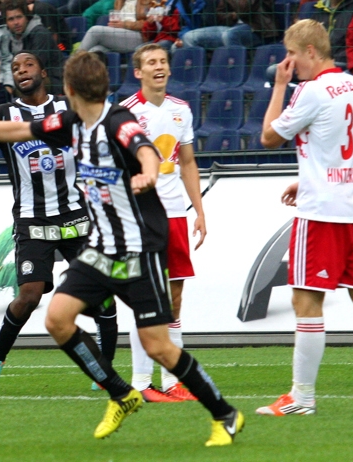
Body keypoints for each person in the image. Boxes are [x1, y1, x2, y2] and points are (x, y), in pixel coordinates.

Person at [0, 50, 244, 446]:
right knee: (58, 319)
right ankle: (121, 393)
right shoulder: (71, 122)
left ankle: (225, 414)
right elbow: (18, 132)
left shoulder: (118, 121)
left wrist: (147, 176)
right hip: (100, 248)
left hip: (137, 250)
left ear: (68, 88)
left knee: (159, 347)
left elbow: (146, 151)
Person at [0, 52, 118, 395]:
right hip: (32, 220)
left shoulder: (68, 108)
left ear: (43, 72)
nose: (22, 71)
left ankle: (103, 371)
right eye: (16, 68)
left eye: (28, 65)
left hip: (76, 217)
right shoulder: (5, 114)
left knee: (104, 298)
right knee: (30, 295)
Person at [257, 19, 353, 416]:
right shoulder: (350, 83)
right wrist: (307, 174)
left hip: (323, 214)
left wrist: (280, 87)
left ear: (310, 52)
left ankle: (302, 398)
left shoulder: (310, 91)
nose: (289, 62)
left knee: (305, 300)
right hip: (351, 202)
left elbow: (268, 137)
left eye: (293, 55)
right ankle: (301, 397)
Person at [120, 43, 205, 402]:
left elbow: (187, 163)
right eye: (150, 62)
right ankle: (141, 382)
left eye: (163, 62)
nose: (159, 67)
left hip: (175, 215)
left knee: (174, 297)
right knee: (145, 296)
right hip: (142, 216)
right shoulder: (124, 113)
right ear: (138, 72)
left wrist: (199, 211)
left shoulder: (180, 110)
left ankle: (172, 381)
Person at [2, 0, 65, 95]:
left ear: (27, 17)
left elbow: (35, 69)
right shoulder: (9, 38)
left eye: (19, 17)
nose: (16, 22)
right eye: (11, 19)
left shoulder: (40, 34)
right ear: (6, 22)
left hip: (53, 82)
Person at [78, 0, 150, 54]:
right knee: (95, 51)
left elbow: (150, 23)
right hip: (119, 34)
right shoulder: (120, 1)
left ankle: (71, 66)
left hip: (140, 36)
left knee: (95, 31)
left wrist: (125, 24)